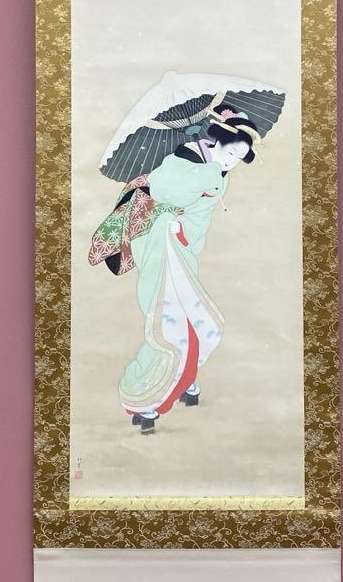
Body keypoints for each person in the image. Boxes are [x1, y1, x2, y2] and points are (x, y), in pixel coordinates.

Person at [88, 107, 262, 434]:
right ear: (218, 140)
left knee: (196, 320)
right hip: (159, 245)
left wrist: (211, 176)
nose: (233, 162)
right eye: (232, 153)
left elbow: (199, 217)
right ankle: (145, 397)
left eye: (240, 158)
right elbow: (164, 193)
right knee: (168, 323)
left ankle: (185, 378)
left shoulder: (214, 168)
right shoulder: (181, 161)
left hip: (182, 250)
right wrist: (206, 176)